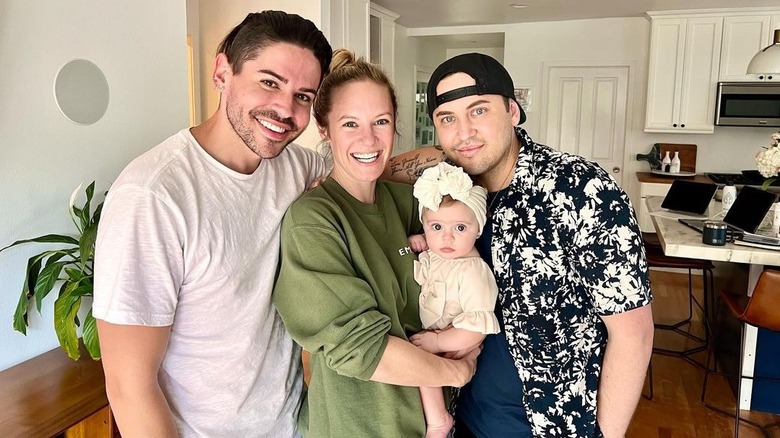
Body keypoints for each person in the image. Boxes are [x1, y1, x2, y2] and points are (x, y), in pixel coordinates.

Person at [384, 53, 654, 438]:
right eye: (447, 118)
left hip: (549, 425)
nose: (464, 132)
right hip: (460, 413)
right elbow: (381, 164)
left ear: (513, 111)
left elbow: (634, 334)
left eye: (478, 111)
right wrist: (341, 174)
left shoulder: (580, 189)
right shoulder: (448, 187)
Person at [92, 11, 333, 437]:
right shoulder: (153, 197)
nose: (284, 109)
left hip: (293, 426)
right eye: (269, 82)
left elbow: (365, 159)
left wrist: (459, 164)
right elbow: (131, 389)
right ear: (222, 71)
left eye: (303, 96)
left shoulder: (294, 167)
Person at [272, 49, 480, 438]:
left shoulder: (406, 202)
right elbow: (360, 349)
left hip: (433, 422)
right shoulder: (314, 219)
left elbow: (460, 162)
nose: (368, 138)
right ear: (324, 127)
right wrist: (459, 370)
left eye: (380, 121)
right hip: (362, 425)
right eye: (349, 123)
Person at [407, 162, 500, 438]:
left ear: (477, 229)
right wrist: (419, 241)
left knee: (421, 363)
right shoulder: (439, 253)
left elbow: (477, 327)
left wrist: (438, 342)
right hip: (435, 336)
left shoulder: (472, 270)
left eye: (460, 227)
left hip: (455, 340)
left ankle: (438, 421)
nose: (446, 237)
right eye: (436, 226)